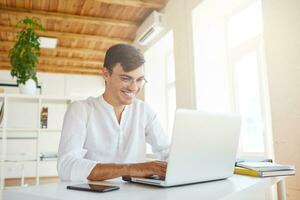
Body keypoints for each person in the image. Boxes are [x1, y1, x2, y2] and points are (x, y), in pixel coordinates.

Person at [57, 44, 170, 181]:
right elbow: (66, 166)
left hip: (136, 194)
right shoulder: (81, 110)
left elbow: (166, 151)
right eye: (125, 78)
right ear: (106, 74)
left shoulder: (144, 111)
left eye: (139, 80)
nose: (134, 87)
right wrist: (131, 169)